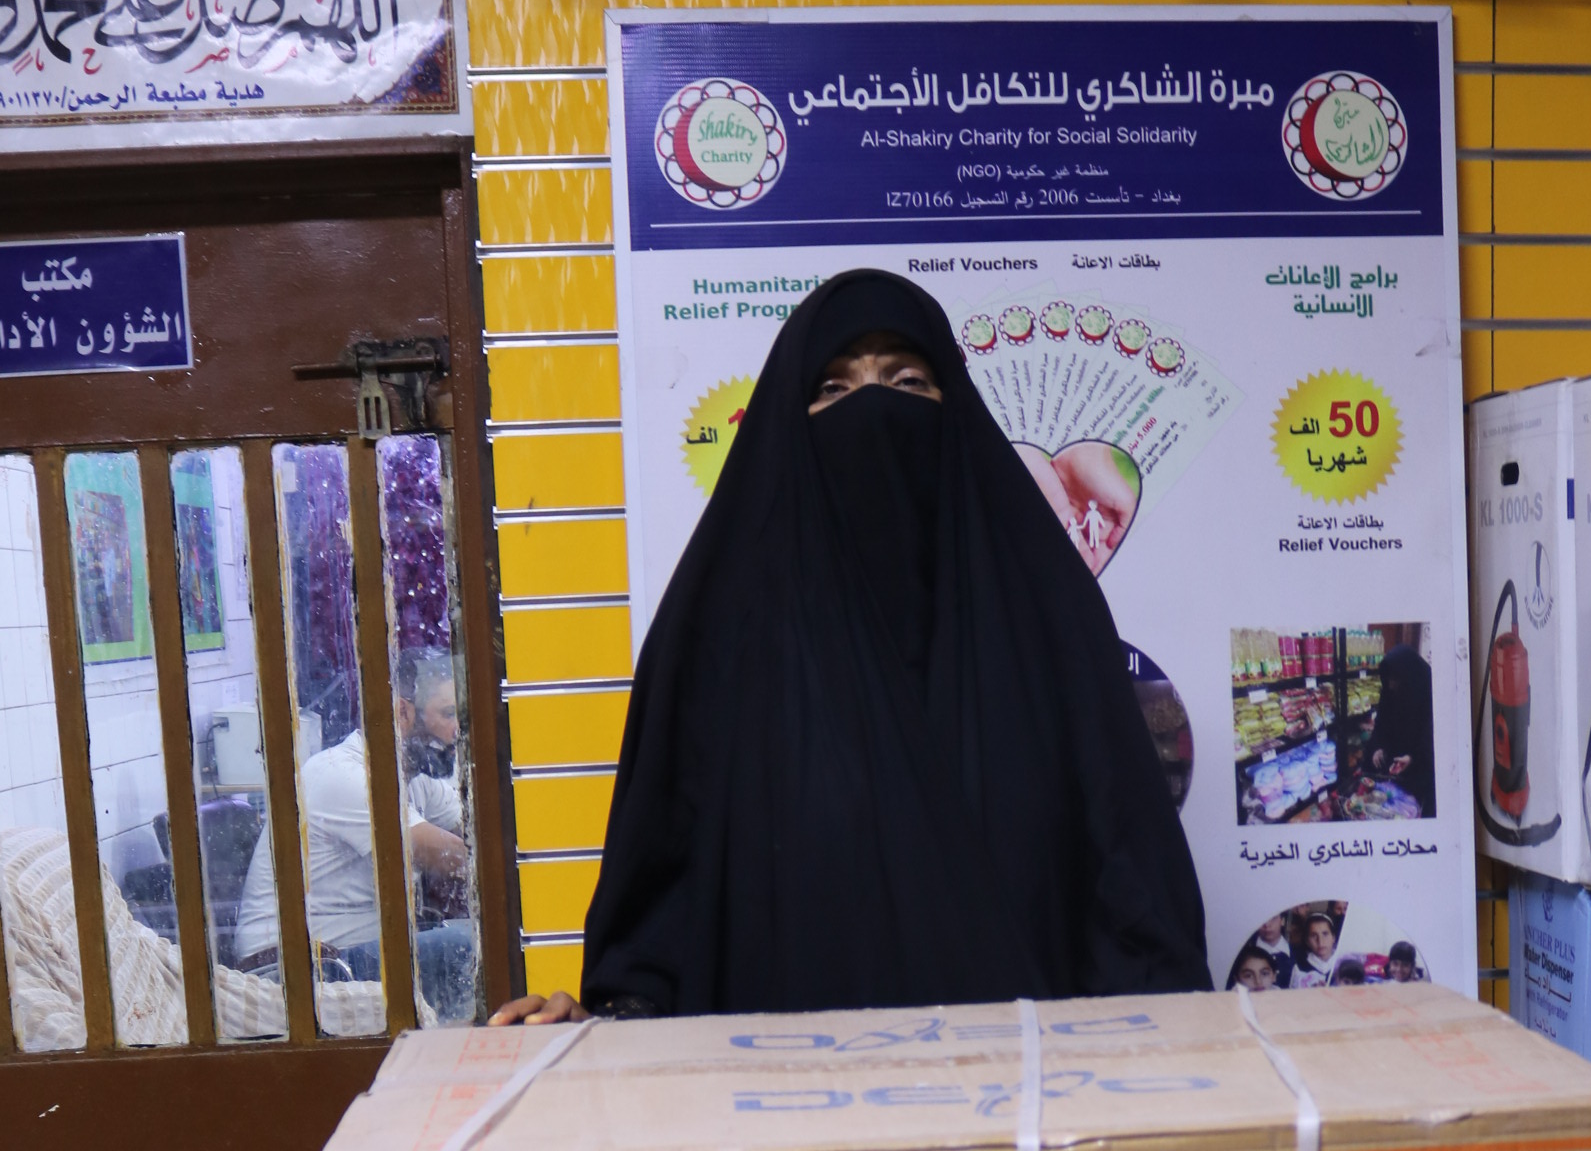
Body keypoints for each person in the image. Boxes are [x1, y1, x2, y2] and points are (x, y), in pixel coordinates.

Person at [493, 269, 1208, 1024]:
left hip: (1032, 1090)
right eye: (832, 388)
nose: (873, 409)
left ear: (958, 412)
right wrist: (605, 1026)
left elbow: (1136, 906)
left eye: (908, 381)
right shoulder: (714, 644)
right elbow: (660, 925)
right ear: (783, 424)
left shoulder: (1051, 629)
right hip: (784, 1090)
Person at [232, 655, 474, 1018]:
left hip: (349, 952)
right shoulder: (344, 776)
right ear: (402, 713)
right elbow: (454, 857)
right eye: (449, 713)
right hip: (293, 967)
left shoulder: (415, 780)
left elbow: (472, 832)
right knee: (471, 944)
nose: (459, 729)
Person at [1364, 642, 1437, 815]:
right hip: (1393, 763)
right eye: (1388, 679)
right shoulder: (1389, 692)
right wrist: (1378, 747)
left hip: (1420, 766)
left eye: (1395, 679)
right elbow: (1381, 724)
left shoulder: (1429, 692)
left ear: (1408, 677)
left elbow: (1431, 738)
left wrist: (1412, 758)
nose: (1390, 685)